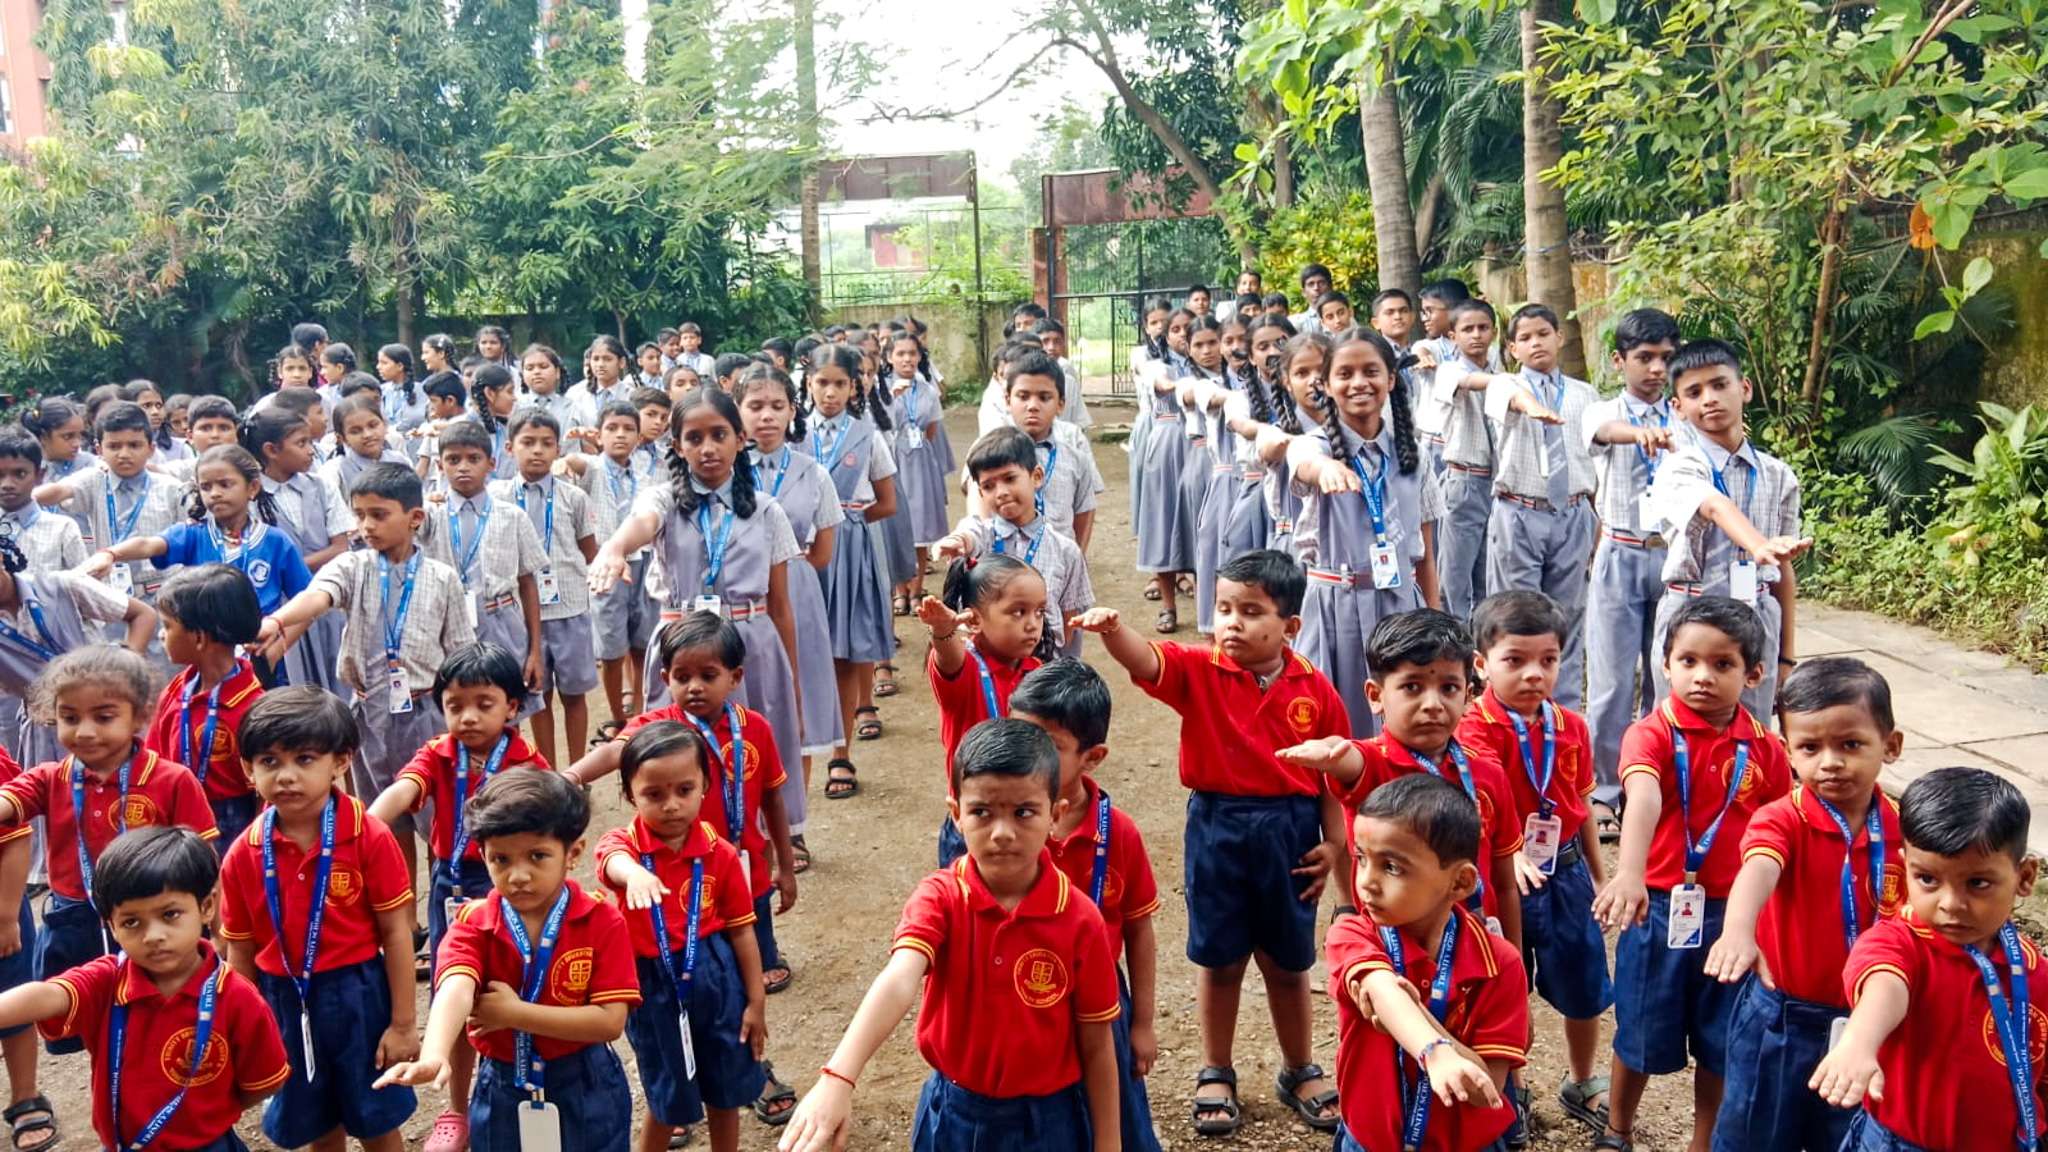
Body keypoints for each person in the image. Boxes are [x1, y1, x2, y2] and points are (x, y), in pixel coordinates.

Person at [1071, 550, 1348, 1136]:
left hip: (1291, 836)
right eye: (1224, 608)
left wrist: (1335, 844)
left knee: (1288, 962)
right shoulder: (1201, 671)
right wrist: (1117, 631)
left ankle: (1300, 1067)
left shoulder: (1316, 690)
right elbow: (1148, 661)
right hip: (1218, 829)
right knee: (1219, 959)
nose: (1232, 623)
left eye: (1251, 611)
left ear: (1291, 626)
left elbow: (1333, 775)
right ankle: (1215, 1068)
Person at [777, 718, 1121, 1152]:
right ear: (956, 815)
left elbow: (1097, 1044)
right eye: (982, 812)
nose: (1001, 832)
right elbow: (900, 977)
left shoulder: (1079, 918)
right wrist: (839, 1076)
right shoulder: (941, 897)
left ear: (1056, 814)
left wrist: (1109, 1141)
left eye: (1024, 812)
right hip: (955, 1113)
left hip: (1048, 1122)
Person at [1592, 595, 1793, 1152]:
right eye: (1689, 662)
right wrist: (1629, 871)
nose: (1703, 676)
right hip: (1657, 907)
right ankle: (1618, 1129)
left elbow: (1780, 833)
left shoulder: (1767, 750)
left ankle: (1703, 1143)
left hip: (1734, 917)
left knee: (1722, 1040)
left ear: (1752, 673)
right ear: (1666, 664)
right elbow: (1644, 796)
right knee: (1638, 1034)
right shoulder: (1651, 734)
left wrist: (1767, 924)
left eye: (1722, 665)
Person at [375, 771, 638, 1152]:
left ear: (573, 852)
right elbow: (455, 986)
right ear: (482, 856)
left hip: (585, 1079)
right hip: (502, 1082)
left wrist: (514, 1014)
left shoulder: (601, 920)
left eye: (537, 856)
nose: (518, 875)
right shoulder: (474, 922)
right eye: (500, 859)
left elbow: (609, 1022)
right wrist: (434, 1053)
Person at [1702, 657, 1902, 1152]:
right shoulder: (1782, 820)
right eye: (1811, 748)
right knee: (1754, 1132)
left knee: (1846, 1134)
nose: (1830, 762)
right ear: (1789, 752)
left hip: (1867, 1022)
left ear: (1891, 746)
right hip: (1781, 1018)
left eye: (1850, 744)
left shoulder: (1907, 830)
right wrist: (1738, 930)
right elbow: (1759, 869)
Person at [255, 462, 477, 898]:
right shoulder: (353, 567)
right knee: (382, 816)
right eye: (359, 515)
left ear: (414, 518)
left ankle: (444, 906)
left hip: (426, 710)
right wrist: (277, 622)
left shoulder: (442, 578)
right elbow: (317, 597)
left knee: (438, 817)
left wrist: (463, 712)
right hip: (367, 712)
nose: (366, 526)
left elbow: (461, 653)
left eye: (378, 514)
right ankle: (403, 910)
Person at [0, 827, 290, 1151]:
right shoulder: (108, 981)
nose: (153, 936)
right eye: (131, 922)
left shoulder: (236, 997)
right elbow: (46, 996)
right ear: (111, 925)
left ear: (207, 907)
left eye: (170, 914)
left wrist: (209, 1113)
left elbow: (262, 1082)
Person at [218, 687, 419, 1152]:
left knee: (376, 1114)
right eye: (269, 762)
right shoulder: (243, 854)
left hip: (358, 995)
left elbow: (396, 931)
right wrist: (245, 1029)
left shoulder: (368, 835)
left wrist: (404, 1024)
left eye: (305, 759)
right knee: (313, 1119)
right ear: (249, 770)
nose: (286, 776)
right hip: (282, 997)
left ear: (341, 762)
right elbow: (241, 952)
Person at [592, 387, 805, 821]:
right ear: (676, 445)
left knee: (749, 749)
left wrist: (793, 682)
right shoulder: (663, 501)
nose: (707, 448)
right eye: (693, 438)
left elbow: (781, 605)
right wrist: (615, 548)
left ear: (739, 438)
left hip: (750, 647)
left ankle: (761, 843)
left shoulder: (766, 511)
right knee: (673, 750)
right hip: (681, 645)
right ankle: (677, 837)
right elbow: (640, 524)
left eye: (718, 435)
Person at [1810, 766, 2047, 1152]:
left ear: (2024, 877)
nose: (1951, 904)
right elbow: (1884, 985)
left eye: (1978, 883)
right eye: (1928, 880)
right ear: (1905, 866)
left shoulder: (2035, 973)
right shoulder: (1896, 943)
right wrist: (1858, 1042)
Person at [564, 614, 798, 999]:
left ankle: (746, 1042)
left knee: (751, 962)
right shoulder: (657, 729)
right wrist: (572, 777)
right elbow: (614, 751)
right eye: (681, 676)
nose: (694, 687)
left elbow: (773, 799)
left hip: (745, 869)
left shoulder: (755, 729)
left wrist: (785, 868)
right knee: (698, 969)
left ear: (735, 677)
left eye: (708, 675)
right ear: (664, 679)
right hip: (684, 877)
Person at [0, 646, 216, 1052]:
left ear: (137, 716)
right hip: (76, 921)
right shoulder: (50, 778)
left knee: (166, 1017)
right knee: (98, 1030)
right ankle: (116, 1101)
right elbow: (9, 801)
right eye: (69, 717)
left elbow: (204, 859)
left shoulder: (172, 779)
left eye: (103, 717)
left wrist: (213, 926)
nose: (83, 731)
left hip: (154, 919)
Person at [1276, 609, 1523, 946]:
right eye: (1412, 687)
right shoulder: (1374, 765)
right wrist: (1332, 750)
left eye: (1449, 687)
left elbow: (1506, 883)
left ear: (1468, 695)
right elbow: (1348, 757)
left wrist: (1514, 959)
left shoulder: (1488, 775)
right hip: (1388, 951)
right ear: (1376, 696)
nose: (1433, 704)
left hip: (1474, 948)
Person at [1462, 591, 1613, 1133]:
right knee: (1505, 984)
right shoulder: (1472, 732)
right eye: (1515, 661)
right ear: (1481, 665)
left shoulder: (1570, 726)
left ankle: (1582, 1078)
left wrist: (1599, 876)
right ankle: (1513, 1087)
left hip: (1566, 872)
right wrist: (1514, 855)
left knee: (1584, 978)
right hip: (1506, 878)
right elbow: (1484, 810)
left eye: (1548, 661)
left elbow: (1583, 805)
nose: (1534, 674)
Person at [1325, 773, 1528, 1152]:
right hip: (1369, 1142)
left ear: (1461, 883)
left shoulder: (1499, 962)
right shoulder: (1352, 933)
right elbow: (1381, 988)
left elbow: (1488, 1092)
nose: (1367, 882)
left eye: (1393, 867)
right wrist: (1435, 1052)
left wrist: (1424, 1023)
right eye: (1361, 859)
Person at [1011, 661, 1164, 1152]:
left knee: (1111, 1115)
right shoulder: (999, 827)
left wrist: (1141, 1023)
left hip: (1102, 1002)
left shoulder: (1117, 833)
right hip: (1022, 994)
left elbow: (1139, 929)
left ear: (1092, 756)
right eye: (1017, 736)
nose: (1025, 757)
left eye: (1048, 747)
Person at [595, 721, 769, 1152]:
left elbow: (743, 931)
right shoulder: (626, 848)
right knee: (666, 1091)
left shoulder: (720, 854)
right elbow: (610, 858)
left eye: (684, 790)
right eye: (654, 794)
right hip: (650, 982)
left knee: (726, 1087)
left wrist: (756, 1001)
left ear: (705, 787)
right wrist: (633, 873)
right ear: (628, 794)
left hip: (714, 972)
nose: (671, 805)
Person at [1273, 328, 1444, 738]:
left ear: (1391, 379)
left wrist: (1436, 620)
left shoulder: (1412, 454)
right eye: (1345, 374)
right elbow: (1302, 459)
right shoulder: (1316, 446)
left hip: (1400, 602)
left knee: (1403, 718)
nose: (1358, 383)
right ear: (1327, 386)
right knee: (1335, 721)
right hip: (1336, 607)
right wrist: (1327, 468)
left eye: (1371, 371)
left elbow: (1425, 551)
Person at [1646, 339, 1812, 718]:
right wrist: (1758, 546)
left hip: (1755, 609)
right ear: (1678, 408)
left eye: (1720, 385)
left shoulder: (1778, 475)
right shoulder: (1679, 467)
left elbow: (1782, 571)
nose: (1709, 399)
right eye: (1694, 392)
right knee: (1682, 726)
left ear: (1745, 388)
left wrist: (1786, 654)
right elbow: (1714, 505)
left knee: (1752, 728)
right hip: (1691, 609)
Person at [1582, 307, 1682, 827]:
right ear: (1620, 360)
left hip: (1673, 556)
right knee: (1612, 681)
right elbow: (1605, 431)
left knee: (1667, 680)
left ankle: (1653, 782)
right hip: (1619, 552)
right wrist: (1640, 435)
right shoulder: (1601, 412)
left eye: (1666, 358)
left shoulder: (1684, 415)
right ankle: (1603, 790)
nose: (1656, 369)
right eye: (1644, 358)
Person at [735, 364, 842, 826]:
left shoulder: (813, 473)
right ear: (736, 413)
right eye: (755, 407)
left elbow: (823, 551)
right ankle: (743, 820)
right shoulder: (724, 471)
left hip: (795, 589)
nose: (766, 417)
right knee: (744, 704)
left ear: (792, 411)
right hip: (739, 596)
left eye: (777, 406)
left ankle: (792, 824)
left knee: (799, 702)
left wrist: (785, 565)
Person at [796, 346, 896, 789]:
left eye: (840, 383)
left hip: (849, 549)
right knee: (797, 648)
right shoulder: (793, 434)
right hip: (798, 550)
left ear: (854, 386)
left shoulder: (867, 435)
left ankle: (842, 753)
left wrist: (846, 524)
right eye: (822, 383)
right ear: (809, 384)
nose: (830, 393)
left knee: (846, 649)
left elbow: (887, 502)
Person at [916, 554, 1049, 865]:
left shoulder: (1035, 670)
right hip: (975, 822)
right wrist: (943, 633)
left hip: (1025, 814)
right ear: (974, 620)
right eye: (1018, 612)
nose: (1033, 624)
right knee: (968, 907)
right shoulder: (968, 672)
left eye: (1039, 612)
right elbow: (949, 660)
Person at [494, 410, 601, 768]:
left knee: (574, 694)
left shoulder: (573, 498)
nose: (537, 451)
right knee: (537, 695)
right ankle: (547, 770)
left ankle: (577, 770)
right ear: (510, 448)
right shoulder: (499, 498)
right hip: (524, 616)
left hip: (570, 609)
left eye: (546, 443)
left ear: (558, 448)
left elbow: (589, 551)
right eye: (528, 442)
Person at [32, 400, 184, 651]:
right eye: (114, 446)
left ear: (151, 448)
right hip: (114, 600)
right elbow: (59, 490)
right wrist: (20, 499)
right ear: (98, 449)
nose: (124, 453)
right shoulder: (94, 480)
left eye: (134, 445)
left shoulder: (171, 488)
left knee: (164, 675)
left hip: (165, 597)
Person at [935, 429, 1092, 657]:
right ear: (980, 492)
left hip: (1041, 670)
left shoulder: (1066, 551)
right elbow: (970, 532)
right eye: (989, 486)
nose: (1001, 492)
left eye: (1010, 479)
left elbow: (1071, 622)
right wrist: (959, 541)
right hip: (986, 670)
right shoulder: (983, 538)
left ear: (1036, 476)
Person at [141, 565, 266, 848]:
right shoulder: (176, 690)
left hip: (232, 826)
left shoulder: (252, 708)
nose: (161, 635)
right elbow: (153, 759)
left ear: (199, 638)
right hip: (174, 814)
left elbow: (262, 793)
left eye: (168, 626)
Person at [560, 401, 664, 729]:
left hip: (644, 562)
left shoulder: (645, 474)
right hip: (607, 566)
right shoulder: (593, 467)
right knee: (611, 648)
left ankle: (641, 713)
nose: (620, 435)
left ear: (637, 436)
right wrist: (565, 459)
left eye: (628, 429)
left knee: (642, 642)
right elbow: (576, 461)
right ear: (599, 435)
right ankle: (618, 717)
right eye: (612, 429)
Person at [1430, 300, 1508, 619]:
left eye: (1483, 328)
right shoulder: (1450, 370)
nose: (1476, 335)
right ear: (1453, 336)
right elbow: (1469, 383)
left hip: (1498, 485)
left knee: (1488, 574)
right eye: (1467, 329)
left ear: (1493, 332)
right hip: (1464, 481)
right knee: (1454, 576)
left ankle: (1481, 649)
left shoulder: (1500, 372)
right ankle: (1454, 647)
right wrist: (1513, 386)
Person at [1369, 289, 1416, 354]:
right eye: (1389, 313)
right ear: (1376, 323)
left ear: (1412, 317)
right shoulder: (1372, 354)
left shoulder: (1422, 351)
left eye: (1403, 311)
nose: (1398, 317)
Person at [1290, 264, 1333, 334]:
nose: (1316, 288)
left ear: (1330, 287)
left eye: (1321, 283)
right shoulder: (1296, 323)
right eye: (1311, 284)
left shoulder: (1343, 319)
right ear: (1303, 292)